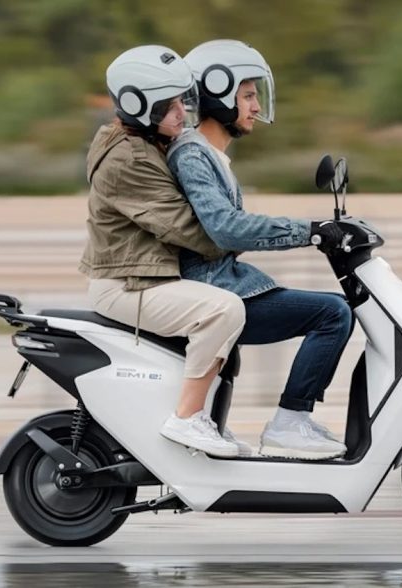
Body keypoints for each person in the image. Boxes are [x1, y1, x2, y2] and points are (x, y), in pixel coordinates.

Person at [167, 40, 353, 460]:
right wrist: (310, 231)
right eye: (247, 95)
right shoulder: (194, 154)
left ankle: (291, 420)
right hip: (213, 287)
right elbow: (227, 229)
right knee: (333, 313)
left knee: (331, 308)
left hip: (224, 283)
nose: (255, 106)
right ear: (217, 91)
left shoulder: (209, 155)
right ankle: (290, 422)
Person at [80, 45, 252, 458]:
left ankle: (205, 423)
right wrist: (245, 233)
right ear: (139, 105)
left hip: (144, 276)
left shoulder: (144, 139)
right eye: (169, 104)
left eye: (181, 99)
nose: (182, 112)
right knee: (223, 310)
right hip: (127, 284)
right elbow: (190, 230)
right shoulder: (128, 159)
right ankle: (187, 419)